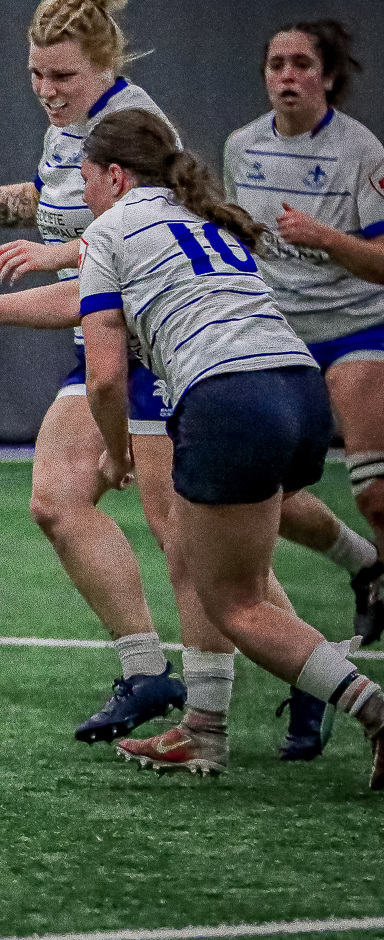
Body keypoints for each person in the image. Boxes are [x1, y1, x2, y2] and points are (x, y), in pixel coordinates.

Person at [0, 0, 194, 743]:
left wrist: (55, 258)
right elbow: (43, 200)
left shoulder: (133, 125)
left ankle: (302, 675)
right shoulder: (69, 127)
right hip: (102, 335)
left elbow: (150, 228)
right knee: (58, 501)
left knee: (187, 533)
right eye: (36, 74)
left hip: (161, 341)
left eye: (63, 76)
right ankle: (147, 672)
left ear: (105, 66)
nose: (47, 91)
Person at [72, 107, 384, 786]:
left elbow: (104, 376)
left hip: (229, 399)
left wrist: (117, 452)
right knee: (201, 558)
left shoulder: (109, 230)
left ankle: (371, 708)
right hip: (298, 387)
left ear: (115, 176)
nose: (83, 192)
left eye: (86, 178)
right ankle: (204, 732)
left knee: (235, 603)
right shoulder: (205, 216)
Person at [224, 20, 384, 657]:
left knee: (376, 493)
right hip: (276, 333)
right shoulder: (242, 146)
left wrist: (326, 238)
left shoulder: (361, 151)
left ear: (329, 77)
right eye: (276, 64)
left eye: (302, 64)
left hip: (354, 327)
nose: (287, 76)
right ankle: (364, 564)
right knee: (260, 492)